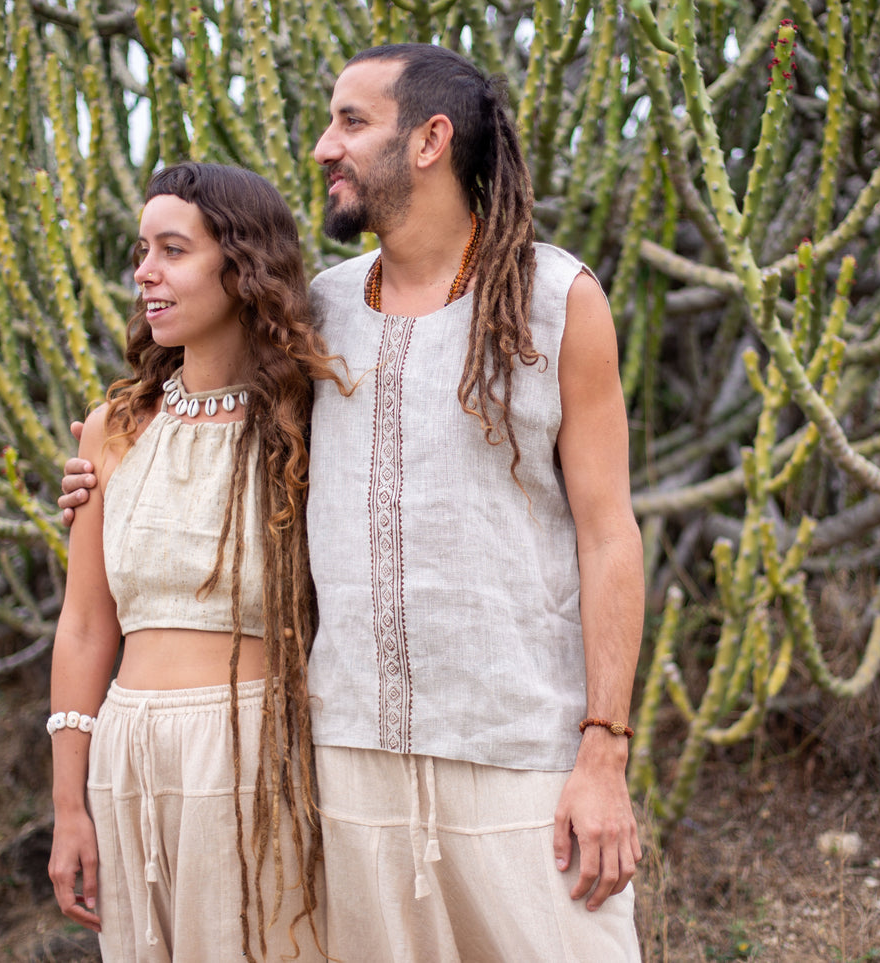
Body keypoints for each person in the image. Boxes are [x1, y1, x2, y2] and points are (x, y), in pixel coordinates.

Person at [63, 46, 644, 961]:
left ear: (429, 140)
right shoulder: (319, 316)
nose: (324, 147)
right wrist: (104, 479)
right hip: (346, 767)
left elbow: (609, 535)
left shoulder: (554, 302)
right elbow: (209, 412)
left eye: (351, 122)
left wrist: (603, 750)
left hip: (516, 751)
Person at [48, 162, 336, 962]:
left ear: (242, 266)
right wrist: (69, 805)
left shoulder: (309, 425)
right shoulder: (113, 428)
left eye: (173, 250)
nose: (146, 272)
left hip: (253, 751)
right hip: (125, 753)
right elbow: (83, 626)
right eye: (142, 251)